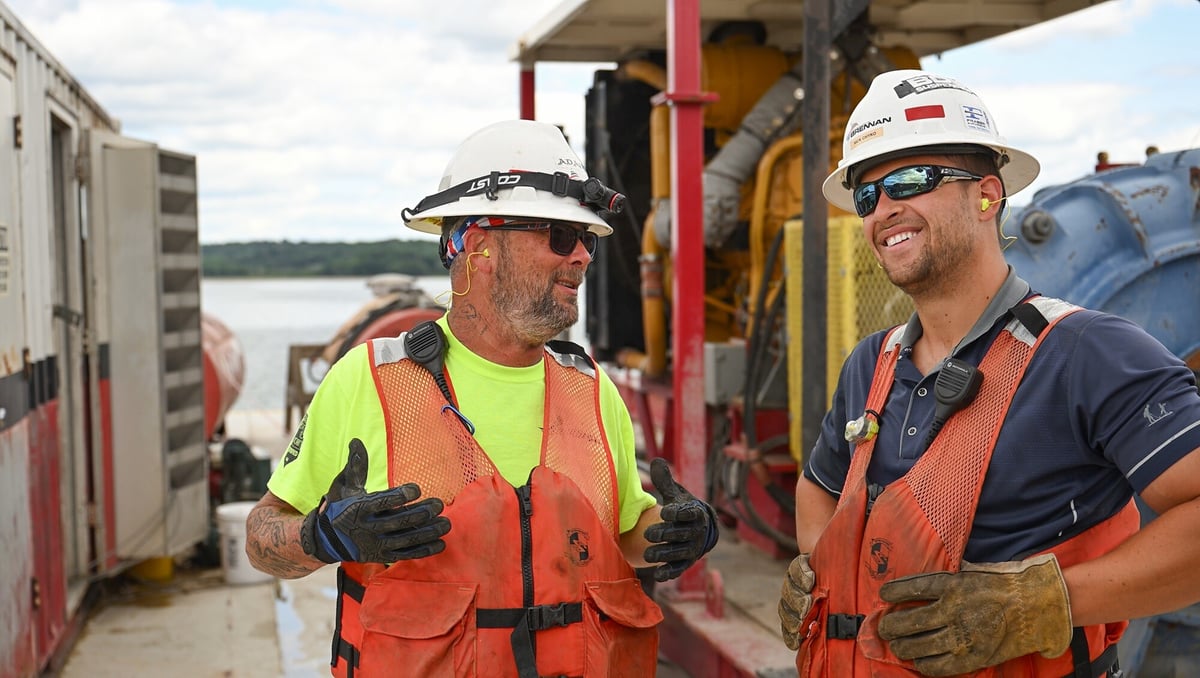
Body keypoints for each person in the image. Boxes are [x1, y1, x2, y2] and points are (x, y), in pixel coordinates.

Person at [245, 119, 718, 678]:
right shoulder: (370, 380)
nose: (584, 258)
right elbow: (261, 538)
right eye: (560, 236)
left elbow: (623, 540)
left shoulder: (590, 390)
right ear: (478, 245)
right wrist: (322, 535)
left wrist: (675, 532)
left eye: (587, 240)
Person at [776, 68, 1200, 676]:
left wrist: (1041, 605)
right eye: (867, 195)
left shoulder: (1088, 354)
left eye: (911, 180)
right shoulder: (873, 363)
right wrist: (824, 571)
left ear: (987, 195)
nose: (884, 209)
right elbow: (819, 488)